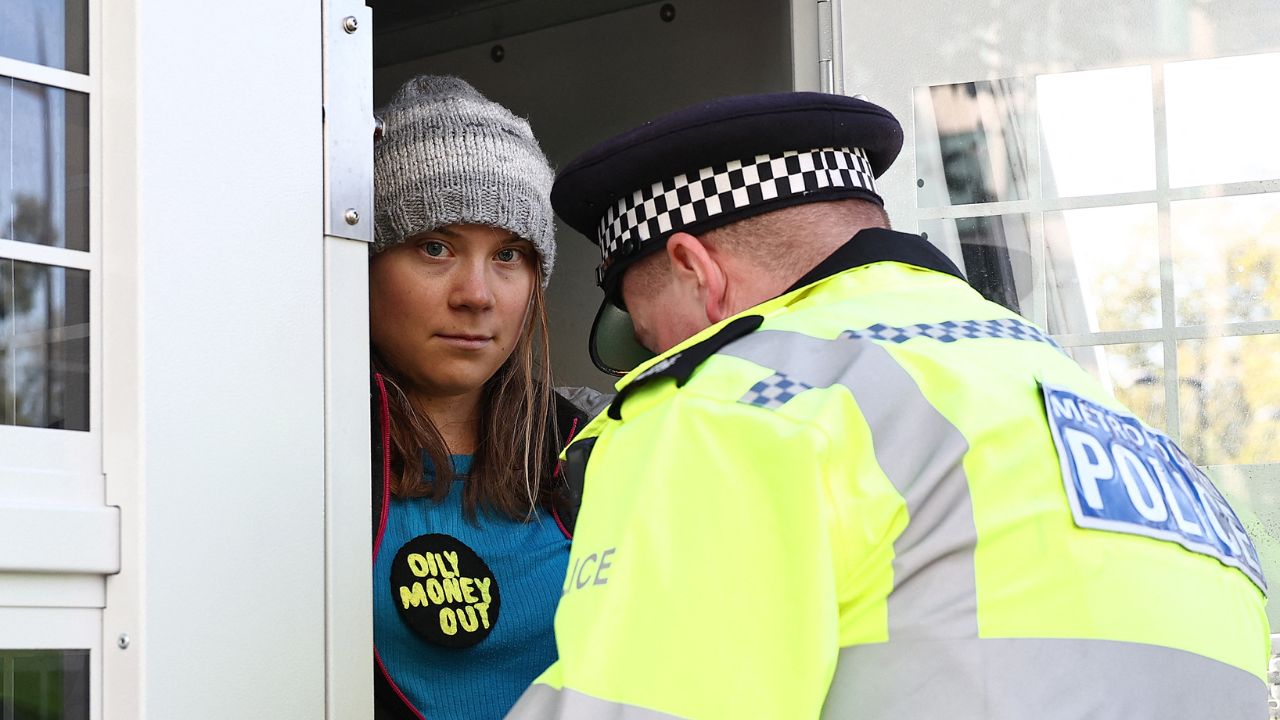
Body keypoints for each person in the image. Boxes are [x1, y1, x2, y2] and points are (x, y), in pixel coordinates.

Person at [505, 91, 1272, 719]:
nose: (645, 357)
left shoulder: (733, 405)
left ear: (694, 269)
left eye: (638, 326)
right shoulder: (1065, 394)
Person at [369, 75, 605, 720]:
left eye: (509, 255)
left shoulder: (595, 444)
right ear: (362, 265)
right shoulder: (307, 457)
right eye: (435, 247)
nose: (476, 294)